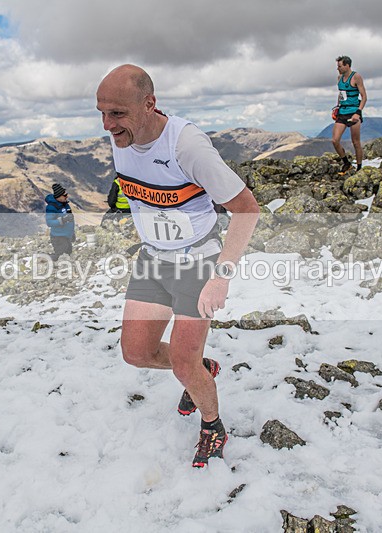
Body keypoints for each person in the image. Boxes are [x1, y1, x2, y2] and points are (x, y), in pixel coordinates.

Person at [96, 64, 260, 468]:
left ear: (149, 104)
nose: (106, 125)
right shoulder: (122, 140)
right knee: (136, 353)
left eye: (116, 113)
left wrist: (220, 279)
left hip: (197, 261)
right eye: (101, 112)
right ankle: (201, 368)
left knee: (183, 365)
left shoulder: (187, 147)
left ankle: (212, 424)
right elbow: (139, 185)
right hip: (153, 258)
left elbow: (246, 209)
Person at [332, 55, 367, 174]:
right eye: (337, 66)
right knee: (335, 141)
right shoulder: (339, 78)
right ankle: (346, 163)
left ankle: (359, 168)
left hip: (353, 112)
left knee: (356, 142)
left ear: (347, 65)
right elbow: (341, 94)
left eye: (340, 66)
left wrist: (358, 112)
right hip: (342, 112)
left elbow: (364, 97)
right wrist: (337, 106)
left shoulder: (356, 77)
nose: (338, 69)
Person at [44, 183, 75, 260]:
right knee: (60, 256)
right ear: (59, 196)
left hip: (66, 236)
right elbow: (49, 222)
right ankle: (44, 259)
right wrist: (62, 220)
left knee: (68, 254)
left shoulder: (65, 204)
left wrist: (72, 232)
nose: (67, 196)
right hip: (58, 237)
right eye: (64, 195)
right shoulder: (51, 207)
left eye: (66, 194)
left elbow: (69, 218)